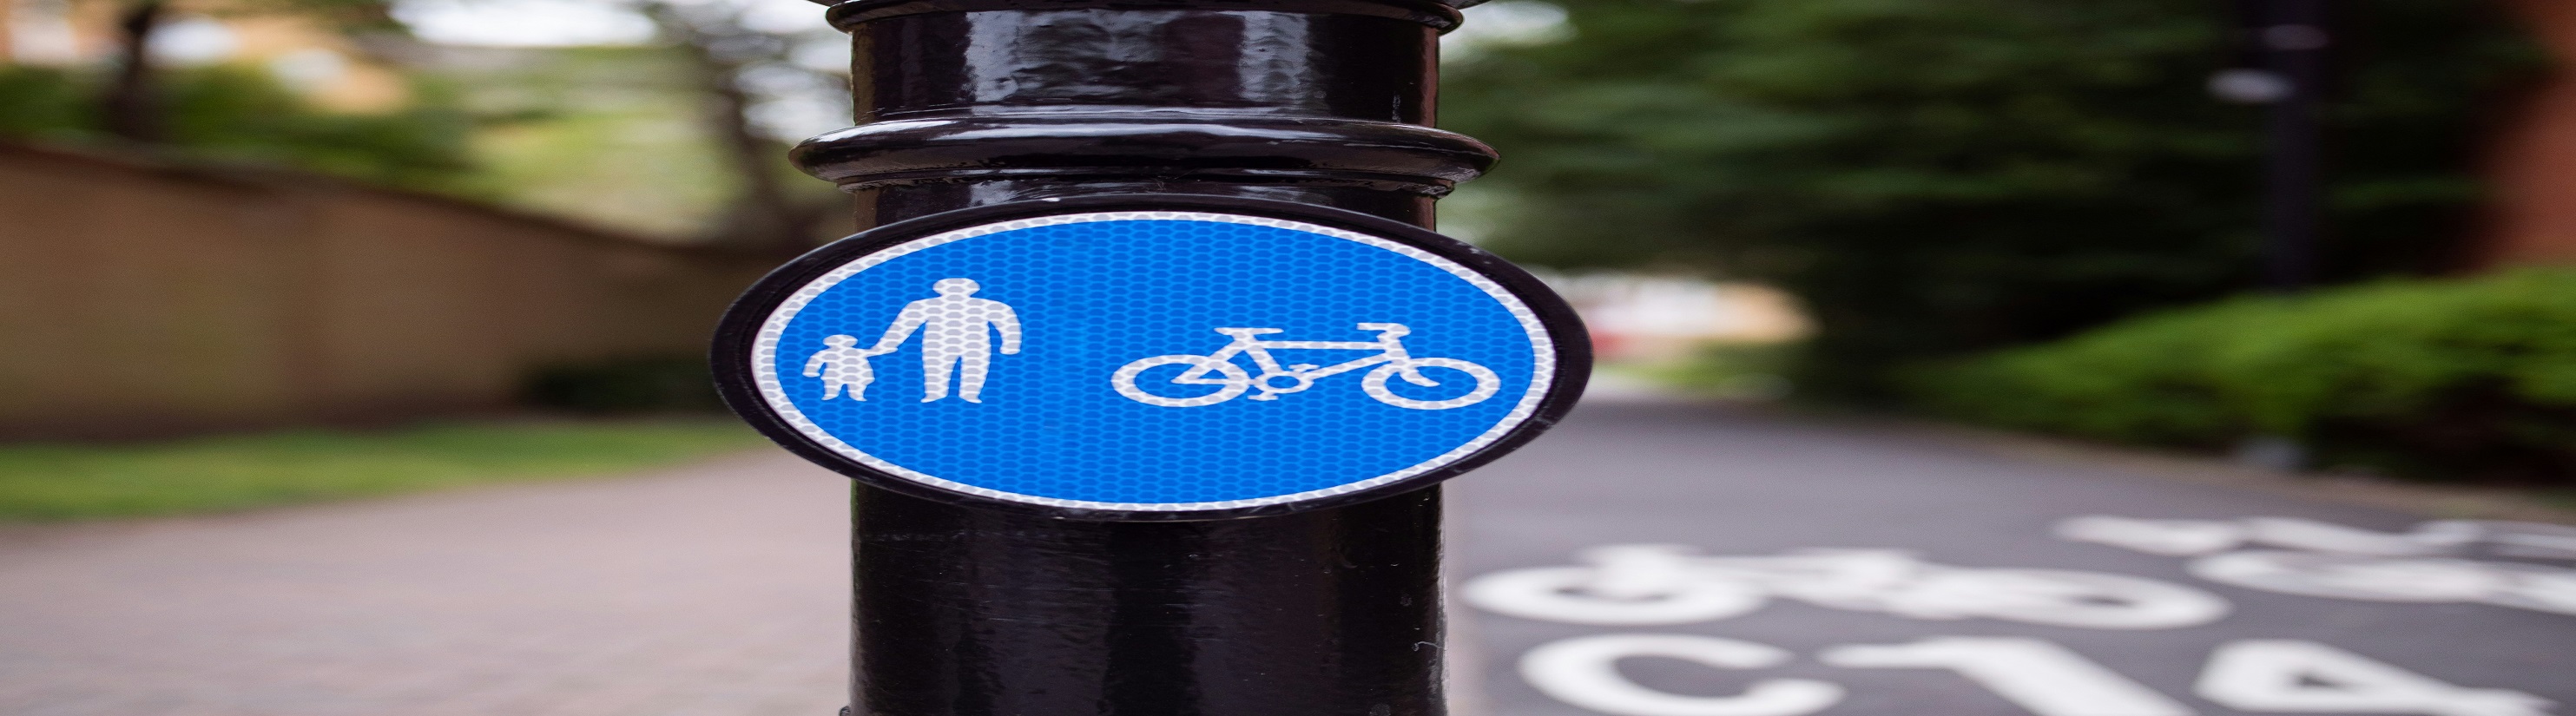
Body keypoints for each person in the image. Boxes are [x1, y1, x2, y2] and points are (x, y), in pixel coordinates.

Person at [869, 278, 1021, 403]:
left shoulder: (988, 306)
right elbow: (903, 326)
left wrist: (1011, 345)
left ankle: (969, 396)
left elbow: (1008, 323)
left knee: (974, 369)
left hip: (974, 343)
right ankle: (935, 395)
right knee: (937, 368)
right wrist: (887, 345)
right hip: (939, 343)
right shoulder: (923, 305)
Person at [802, 335, 880, 400]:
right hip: (835, 375)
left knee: (856, 388)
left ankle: (857, 396)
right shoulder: (826, 353)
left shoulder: (857, 352)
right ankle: (831, 396)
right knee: (832, 388)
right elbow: (815, 361)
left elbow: (876, 351)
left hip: (855, 375)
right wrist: (811, 371)